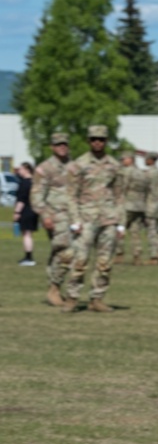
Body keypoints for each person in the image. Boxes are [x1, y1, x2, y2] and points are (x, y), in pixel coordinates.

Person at [64, 125, 125, 313]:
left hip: (108, 219)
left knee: (105, 263)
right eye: (94, 139)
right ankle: (72, 298)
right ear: (88, 141)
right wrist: (75, 220)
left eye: (101, 139)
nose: (97, 142)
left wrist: (121, 223)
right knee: (80, 260)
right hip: (86, 218)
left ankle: (97, 298)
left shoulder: (114, 166)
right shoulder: (79, 165)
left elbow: (119, 195)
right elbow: (71, 195)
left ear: (106, 141)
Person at [31, 133, 74, 307]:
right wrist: (45, 215)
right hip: (55, 217)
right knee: (65, 251)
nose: (62, 147)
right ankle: (54, 288)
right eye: (58, 144)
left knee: (61, 253)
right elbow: (36, 195)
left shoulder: (74, 166)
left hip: (73, 218)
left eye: (64, 144)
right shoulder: (44, 169)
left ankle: (55, 285)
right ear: (52, 147)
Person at [119, 151, 149, 266]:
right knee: (135, 232)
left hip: (128, 204)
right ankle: (137, 256)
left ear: (130, 159)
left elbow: (123, 187)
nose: (122, 161)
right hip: (140, 206)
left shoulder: (127, 171)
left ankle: (119, 254)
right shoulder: (141, 173)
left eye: (124, 159)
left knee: (120, 229)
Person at [12, 162, 36, 266]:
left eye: (21, 169)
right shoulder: (34, 182)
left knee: (26, 235)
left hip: (26, 211)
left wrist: (17, 212)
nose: (19, 171)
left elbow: (21, 199)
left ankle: (29, 258)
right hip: (33, 210)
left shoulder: (25, 183)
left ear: (27, 169)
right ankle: (28, 257)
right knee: (28, 234)